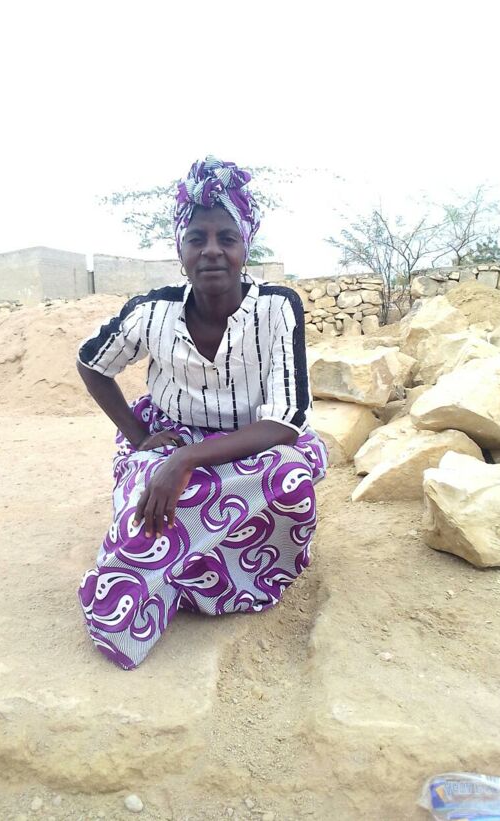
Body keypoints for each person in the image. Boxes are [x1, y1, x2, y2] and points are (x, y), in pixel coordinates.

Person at [76, 156, 328, 670]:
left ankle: (230, 579)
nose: (212, 250)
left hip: (252, 444)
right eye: (197, 239)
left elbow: (285, 422)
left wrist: (187, 460)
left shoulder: (277, 308)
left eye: (226, 238)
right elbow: (91, 363)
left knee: (290, 480)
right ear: (180, 250)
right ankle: (163, 586)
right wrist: (141, 437)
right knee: (154, 494)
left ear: (245, 248)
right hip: (167, 439)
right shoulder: (152, 311)